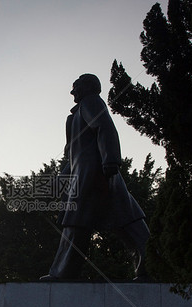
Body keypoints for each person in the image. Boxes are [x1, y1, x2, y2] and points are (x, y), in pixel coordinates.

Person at [40, 74, 150, 282]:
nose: (72, 92)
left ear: (87, 87)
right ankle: (152, 266)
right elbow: (73, 156)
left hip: (93, 174)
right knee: (126, 220)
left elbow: (104, 127)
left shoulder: (90, 102)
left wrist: (111, 161)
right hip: (88, 173)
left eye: (76, 87)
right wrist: (61, 181)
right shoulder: (76, 115)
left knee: (76, 222)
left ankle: (63, 272)